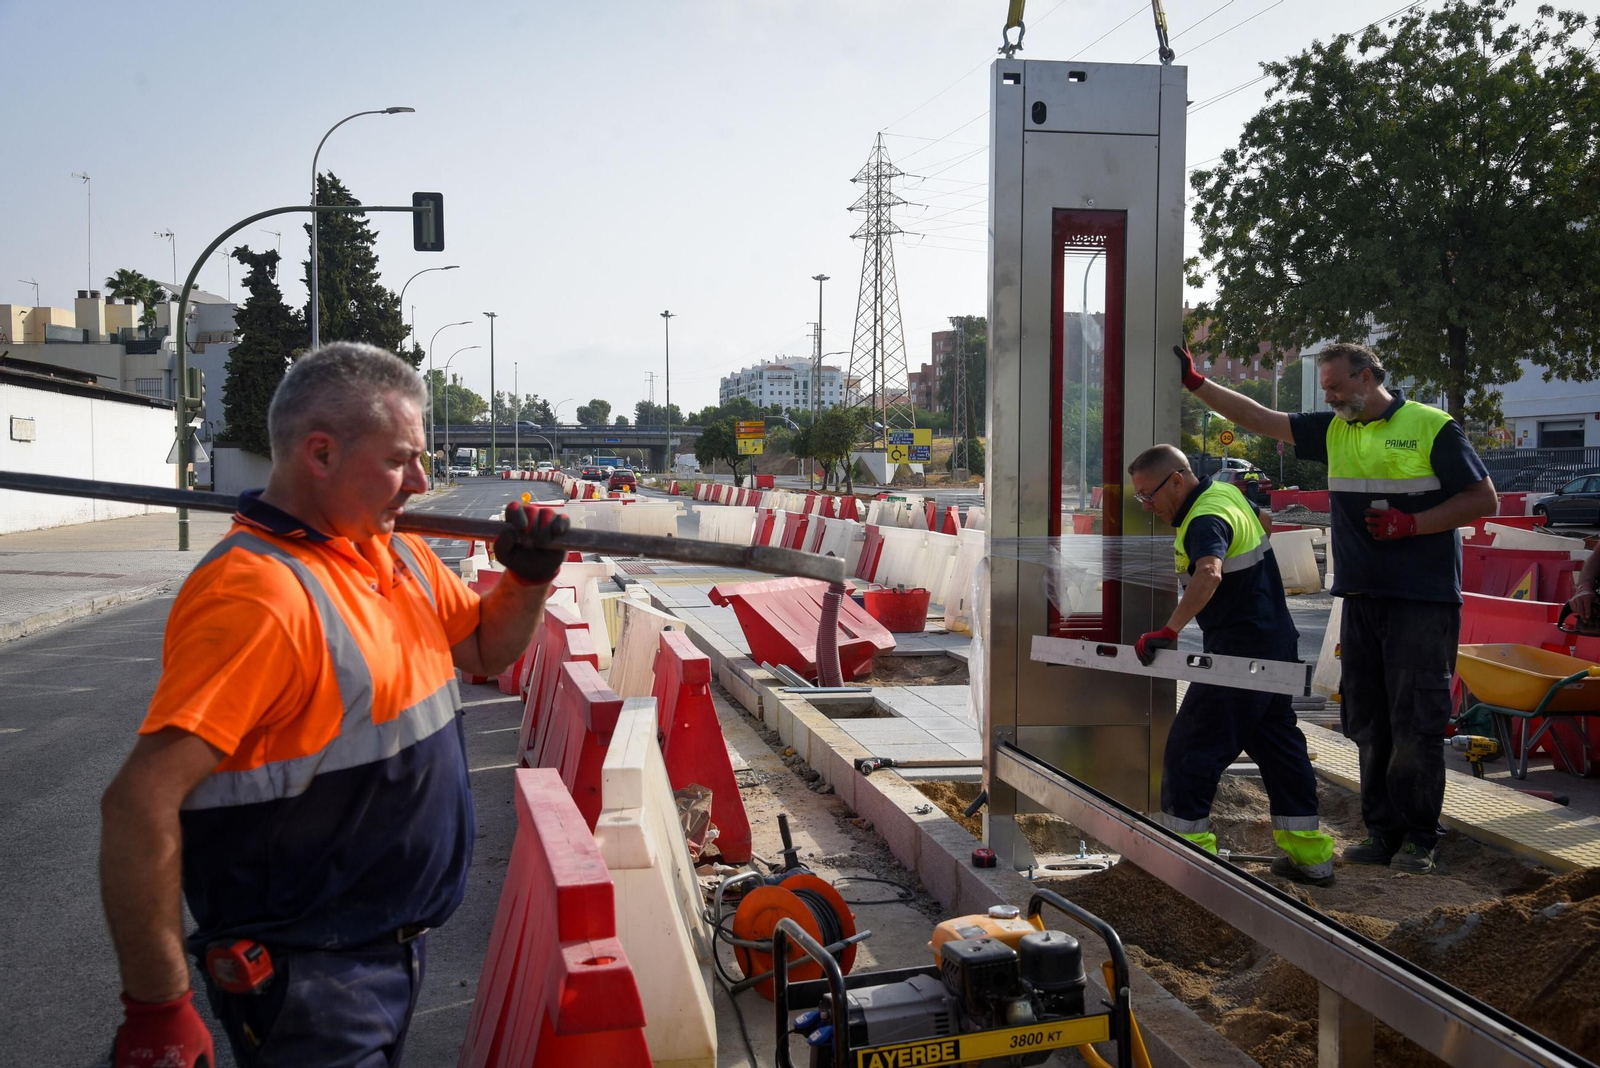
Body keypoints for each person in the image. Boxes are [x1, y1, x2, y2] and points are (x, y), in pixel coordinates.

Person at [99, 343, 568, 1067]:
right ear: (319, 454)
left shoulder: (394, 554)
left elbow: (480, 652)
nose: (420, 480)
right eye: (400, 460)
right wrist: (159, 1009)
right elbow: (139, 802)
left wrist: (527, 580)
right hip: (308, 975)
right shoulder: (258, 596)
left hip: (389, 951)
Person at [1174, 341, 1496, 873]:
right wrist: (1197, 384)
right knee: (1367, 720)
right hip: (1362, 597)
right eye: (1325, 388)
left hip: (1420, 600)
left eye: (1337, 385)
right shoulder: (1336, 430)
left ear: (1368, 377)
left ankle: (1420, 836)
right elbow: (1259, 418)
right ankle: (1381, 833)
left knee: (1415, 720)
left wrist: (1412, 524)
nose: (1329, 395)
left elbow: (1484, 499)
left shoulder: (1431, 426)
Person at [1129, 444, 1336, 886]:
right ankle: (1310, 858)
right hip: (1274, 644)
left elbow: (1209, 572)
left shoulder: (1204, 518)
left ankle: (1189, 863)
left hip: (1239, 657)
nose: (1147, 505)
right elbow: (1257, 533)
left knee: (1190, 751)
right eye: (1140, 498)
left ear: (1178, 480)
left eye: (1149, 494)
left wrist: (1167, 631)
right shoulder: (1226, 496)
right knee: (1279, 750)